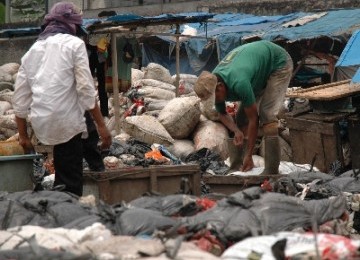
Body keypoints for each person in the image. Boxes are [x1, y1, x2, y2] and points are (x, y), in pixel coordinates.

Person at [13, 2, 112, 196]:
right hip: (65, 120)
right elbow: (86, 90)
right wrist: (102, 126)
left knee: (65, 161)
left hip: (42, 122)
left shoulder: (32, 51)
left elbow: (20, 100)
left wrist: (24, 137)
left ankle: (73, 183)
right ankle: (68, 211)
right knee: (70, 182)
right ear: (71, 25)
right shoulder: (75, 44)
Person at [194, 40, 293, 175]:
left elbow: (254, 120)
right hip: (257, 70)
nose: (217, 101)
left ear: (221, 87)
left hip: (278, 63)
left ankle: (271, 169)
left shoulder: (239, 82)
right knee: (241, 119)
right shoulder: (213, 81)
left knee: (267, 114)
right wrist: (236, 131)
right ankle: (237, 165)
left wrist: (249, 154)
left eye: (216, 97)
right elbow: (222, 113)